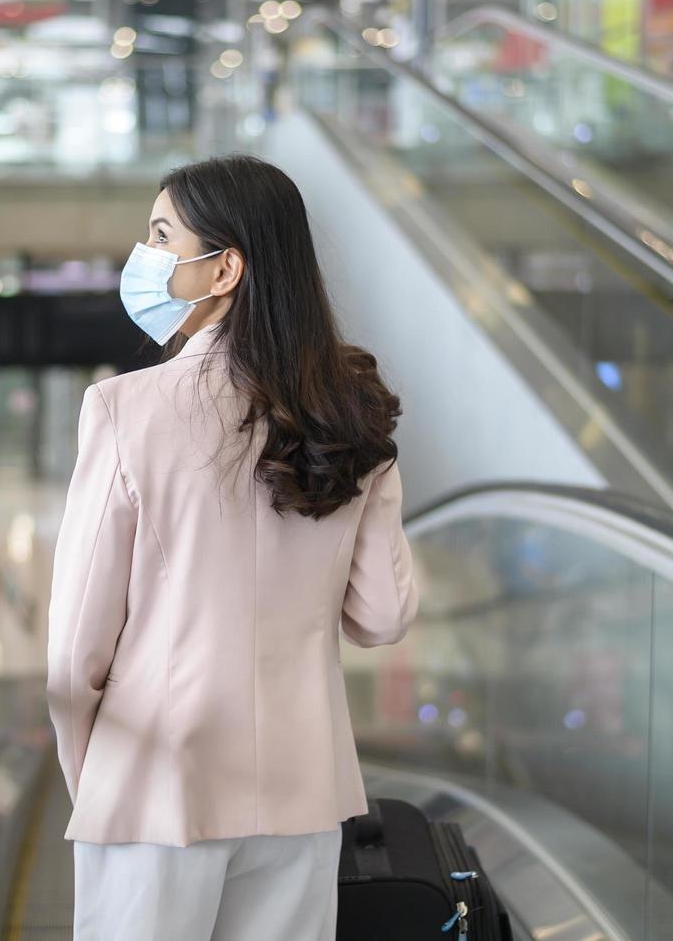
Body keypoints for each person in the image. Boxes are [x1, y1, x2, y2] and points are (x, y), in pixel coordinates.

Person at [46, 154, 418, 940]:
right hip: (303, 788)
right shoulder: (352, 416)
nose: (143, 256)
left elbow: (78, 643)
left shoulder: (123, 410)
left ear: (225, 269)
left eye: (159, 234)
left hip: (155, 781)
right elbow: (381, 617)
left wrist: (95, 777)